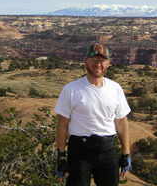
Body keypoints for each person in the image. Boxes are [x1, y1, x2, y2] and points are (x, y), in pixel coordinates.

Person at [55, 42, 132, 186]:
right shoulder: (71, 89)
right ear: (86, 61)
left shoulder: (115, 89)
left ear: (108, 63)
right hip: (79, 152)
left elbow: (121, 122)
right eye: (94, 60)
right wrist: (61, 155)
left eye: (102, 61)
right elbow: (62, 125)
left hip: (107, 150)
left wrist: (125, 153)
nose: (98, 64)